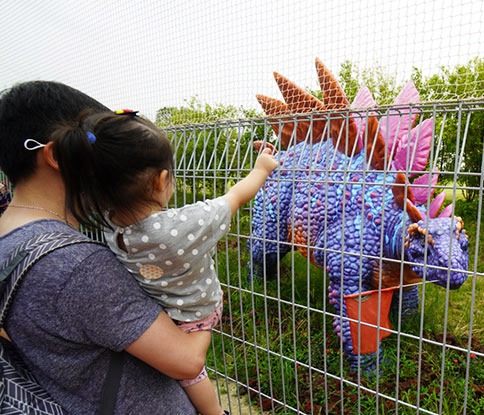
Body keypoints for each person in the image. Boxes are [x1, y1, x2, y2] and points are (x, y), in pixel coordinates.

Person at [0, 81, 213, 414]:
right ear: (56, 155)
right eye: (98, 150)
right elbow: (187, 360)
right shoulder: (76, 264)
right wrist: (208, 306)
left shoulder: (9, 239)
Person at [48, 110, 278, 414]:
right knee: (192, 374)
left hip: (156, 310)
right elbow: (235, 197)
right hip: (197, 312)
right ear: (161, 180)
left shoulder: (105, 219)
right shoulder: (180, 227)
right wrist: (261, 167)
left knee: (186, 373)